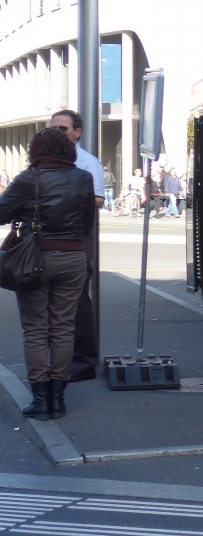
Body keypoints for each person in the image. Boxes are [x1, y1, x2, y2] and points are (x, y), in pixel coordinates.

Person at [0, 127, 95, 420]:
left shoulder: (29, 179)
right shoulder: (83, 178)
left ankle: (41, 400)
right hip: (73, 256)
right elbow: (88, 223)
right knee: (64, 327)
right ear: (67, 150)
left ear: (35, 152)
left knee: (36, 329)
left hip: (35, 259)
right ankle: (58, 399)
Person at [50, 109, 105, 383]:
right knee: (53, 302)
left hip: (78, 237)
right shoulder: (46, 161)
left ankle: (83, 361)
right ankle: (61, 358)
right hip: (50, 238)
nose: (56, 133)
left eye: (62, 129)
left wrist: (61, 197)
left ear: (77, 132)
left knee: (77, 299)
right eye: (53, 128)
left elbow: (98, 199)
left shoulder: (86, 162)